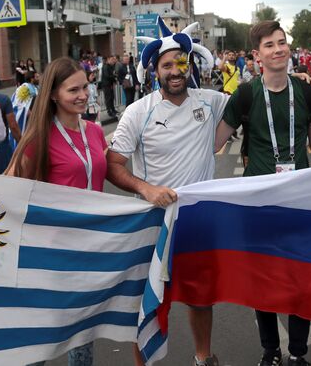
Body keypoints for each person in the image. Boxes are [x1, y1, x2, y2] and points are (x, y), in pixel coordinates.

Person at [214, 20, 311, 366]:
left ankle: (297, 354)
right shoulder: (247, 94)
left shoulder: (308, 92)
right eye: (269, 45)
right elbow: (215, 142)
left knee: (302, 280)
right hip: (259, 203)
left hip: (301, 201)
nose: (278, 49)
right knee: (263, 282)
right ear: (257, 55)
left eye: (282, 42)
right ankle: (271, 352)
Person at [107, 19, 226, 366]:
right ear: (154, 70)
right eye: (167, 65)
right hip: (154, 223)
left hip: (199, 222)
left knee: (201, 299)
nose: (175, 71)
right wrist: (146, 189)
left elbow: (248, 104)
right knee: (148, 303)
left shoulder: (211, 101)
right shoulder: (137, 113)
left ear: (190, 65)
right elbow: (113, 164)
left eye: (181, 63)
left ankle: (203, 358)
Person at [5, 57, 107, 366]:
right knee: (44, 334)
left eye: (85, 87)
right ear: (52, 94)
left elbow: (103, 172)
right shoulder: (38, 138)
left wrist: (147, 190)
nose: (82, 95)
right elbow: (7, 185)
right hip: (51, 252)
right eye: (73, 90)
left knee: (82, 333)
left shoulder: (94, 132)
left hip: (91, 249)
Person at [10, 70, 39, 149]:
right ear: (31, 79)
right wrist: (30, 114)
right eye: (37, 77)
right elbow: (19, 104)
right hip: (27, 121)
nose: (39, 78)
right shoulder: (25, 88)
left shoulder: (37, 88)